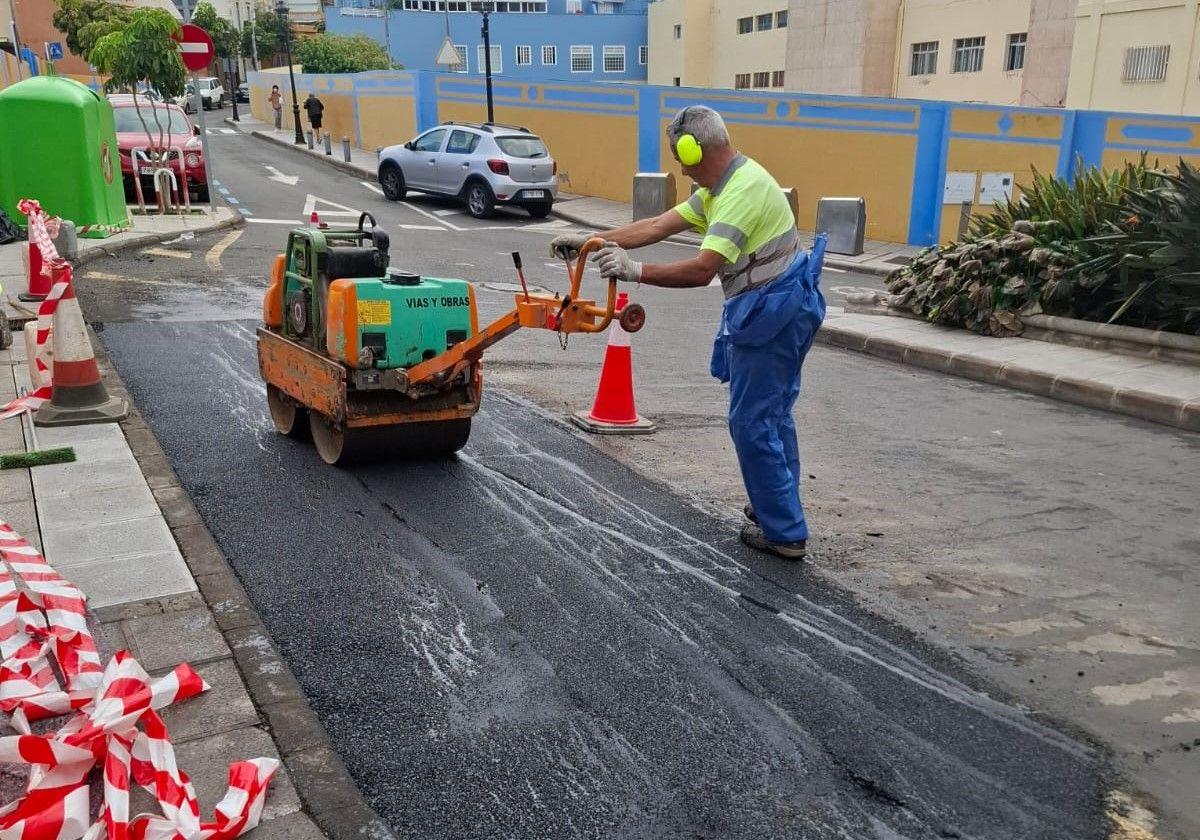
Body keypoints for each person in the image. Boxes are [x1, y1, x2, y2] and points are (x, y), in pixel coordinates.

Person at [550, 106, 826, 560]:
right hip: (781, 306)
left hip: (775, 313)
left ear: (693, 148)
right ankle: (775, 503)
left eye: (680, 155)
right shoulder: (722, 186)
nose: (679, 167)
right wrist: (594, 241)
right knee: (773, 414)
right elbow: (657, 225)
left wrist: (633, 270)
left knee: (751, 422)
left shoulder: (739, 194)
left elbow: (701, 271)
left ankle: (785, 532)